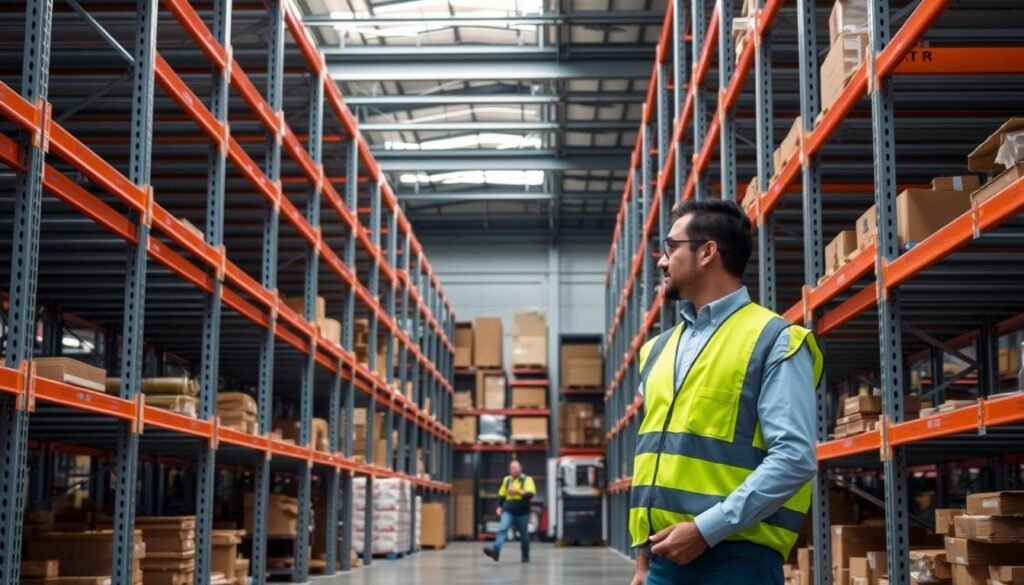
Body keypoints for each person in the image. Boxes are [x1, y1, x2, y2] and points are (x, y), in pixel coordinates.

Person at [628, 200, 823, 585]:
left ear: (707, 252)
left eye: (671, 247)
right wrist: (643, 559)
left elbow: (795, 459)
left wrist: (706, 529)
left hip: (736, 560)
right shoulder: (657, 350)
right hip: (663, 559)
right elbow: (655, 457)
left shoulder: (775, 341)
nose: (662, 262)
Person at [483, 460, 536, 563]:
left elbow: (530, 494)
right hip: (509, 510)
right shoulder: (507, 480)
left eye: (515, 468)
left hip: (522, 512)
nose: (514, 470)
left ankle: (525, 556)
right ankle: (495, 552)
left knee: (524, 536)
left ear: (520, 468)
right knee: (502, 529)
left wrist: (517, 492)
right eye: (511, 468)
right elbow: (502, 495)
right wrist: (499, 506)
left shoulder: (527, 480)